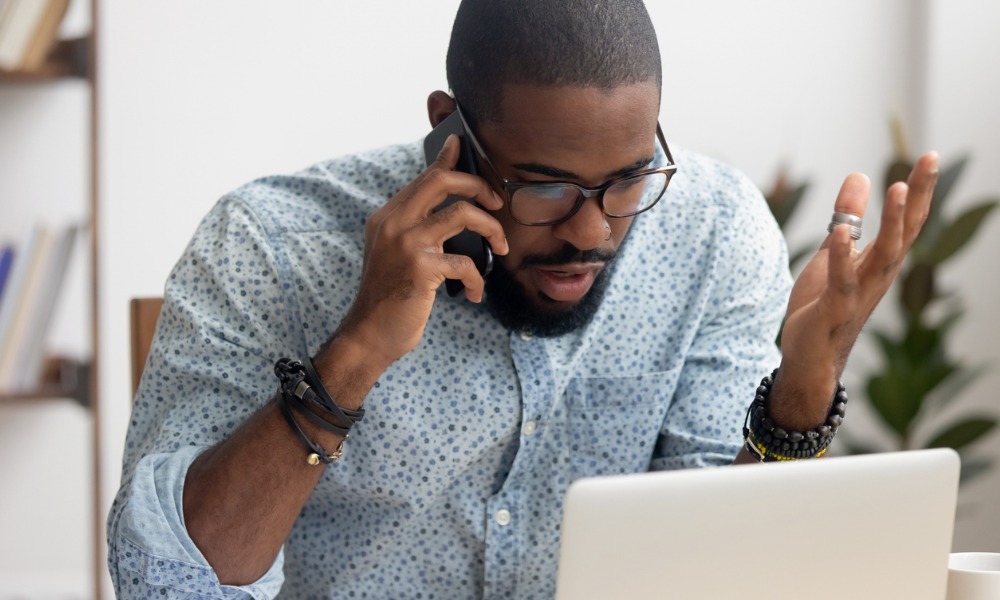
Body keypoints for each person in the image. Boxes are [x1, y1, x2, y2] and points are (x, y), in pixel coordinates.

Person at [107, 0, 938, 598]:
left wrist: (803, 384)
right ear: (450, 132)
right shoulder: (269, 247)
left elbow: (722, 568)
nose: (593, 231)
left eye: (627, 180)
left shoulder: (713, 230)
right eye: (545, 188)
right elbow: (171, 584)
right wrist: (356, 349)